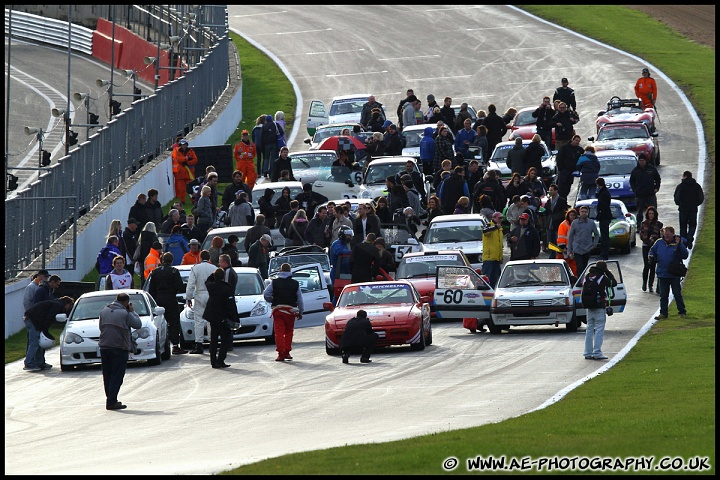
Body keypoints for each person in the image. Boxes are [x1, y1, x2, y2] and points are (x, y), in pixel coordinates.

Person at [98, 292, 141, 409]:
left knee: (107, 374)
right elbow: (138, 324)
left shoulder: (104, 311)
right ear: (126, 302)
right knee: (117, 375)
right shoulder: (125, 313)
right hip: (119, 347)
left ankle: (110, 398)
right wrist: (132, 311)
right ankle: (111, 401)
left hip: (104, 346)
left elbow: (100, 327)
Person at [147, 252, 187, 355]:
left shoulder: (155, 272)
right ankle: (175, 345)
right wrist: (187, 286)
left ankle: (161, 344)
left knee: (160, 322)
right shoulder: (174, 271)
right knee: (174, 322)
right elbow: (179, 287)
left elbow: (151, 289)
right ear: (172, 261)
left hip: (159, 300)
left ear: (161, 260)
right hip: (170, 299)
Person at [263, 263, 304, 362]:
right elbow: (300, 299)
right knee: (289, 332)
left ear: (280, 271)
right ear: (290, 272)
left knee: (279, 332)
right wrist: (300, 312)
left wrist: (272, 300)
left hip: (278, 310)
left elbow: (266, 294)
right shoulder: (295, 283)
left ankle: (280, 353)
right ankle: (287, 352)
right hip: (290, 311)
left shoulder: (274, 282)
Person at [23, 296, 74, 372]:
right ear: (66, 303)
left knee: (38, 342)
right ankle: (29, 363)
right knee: (34, 342)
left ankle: (40, 362)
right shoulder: (57, 306)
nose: (69, 308)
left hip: (33, 318)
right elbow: (49, 318)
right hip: (33, 320)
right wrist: (45, 330)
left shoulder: (55, 303)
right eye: (70, 305)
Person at [649, 226, 688, 320]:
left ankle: (682, 311)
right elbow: (652, 251)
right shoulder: (659, 242)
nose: (666, 236)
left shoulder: (677, 243)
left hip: (674, 273)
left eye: (668, 234)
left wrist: (680, 244)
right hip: (662, 273)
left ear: (673, 234)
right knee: (663, 295)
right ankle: (663, 313)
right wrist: (651, 256)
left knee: (677, 293)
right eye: (665, 234)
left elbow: (685, 255)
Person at [582, 261, 617, 360]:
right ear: (604, 269)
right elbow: (613, 283)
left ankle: (587, 352)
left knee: (589, 329)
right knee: (599, 329)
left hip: (588, 307)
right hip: (599, 306)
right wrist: (607, 272)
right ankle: (597, 352)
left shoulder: (587, 276)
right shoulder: (602, 277)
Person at [203, 268, 238, 368]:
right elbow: (231, 305)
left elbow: (207, 281)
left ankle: (213, 361)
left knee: (213, 340)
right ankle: (220, 360)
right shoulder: (226, 288)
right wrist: (235, 318)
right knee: (225, 340)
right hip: (223, 317)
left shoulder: (211, 286)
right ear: (223, 277)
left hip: (213, 317)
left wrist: (213, 275)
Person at [184, 250, 217, 354]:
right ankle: (213, 342)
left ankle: (199, 344)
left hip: (199, 294)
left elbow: (191, 284)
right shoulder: (214, 268)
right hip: (211, 294)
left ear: (200, 258)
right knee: (211, 320)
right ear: (209, 258)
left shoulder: (195, 268)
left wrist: (188, 298)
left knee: (198, 320)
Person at [673, 170, 704, 250]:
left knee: (683, 226)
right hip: (693, 209)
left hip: (683, 209)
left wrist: (679, 204)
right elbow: (701, 198)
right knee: (692, 225)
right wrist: (696, 204)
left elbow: (677, 197)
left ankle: (684, 241)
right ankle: (690, 237)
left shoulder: (681, 186)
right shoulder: (696, 186)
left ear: (685, 176)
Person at [567, 205, 599, 276]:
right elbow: (571, 236)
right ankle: (579, 281)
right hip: (577, 248)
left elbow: (596, 234)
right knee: (579, 266)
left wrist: (594, 244)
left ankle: (582, 279)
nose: (584, 213)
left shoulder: (591, 223)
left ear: (588, 213)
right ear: (579, 212)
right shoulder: (575, 223)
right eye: (582, 212)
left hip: (587, 248)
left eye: (585, 212)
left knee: (584, 266)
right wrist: (569, 249)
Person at [629, 154, 661, 224]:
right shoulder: (635, 170)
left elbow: (657, 178)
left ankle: (654, 225)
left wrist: (656, 188)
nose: (641, 162)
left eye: (642, 160)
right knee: (639, 212)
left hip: (650, 194)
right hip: (640, 195)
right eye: (640, 161)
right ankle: (639, 226)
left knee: (653, 211)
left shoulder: (651, 169)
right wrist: (635, 190)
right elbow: (632, 181)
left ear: (645, 161)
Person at [639, 206, 663, 293]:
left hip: (654, 246)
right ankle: (644, 283)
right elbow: (641, 234)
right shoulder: (643, 223)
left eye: (652, 213)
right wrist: (646, 240)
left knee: (653, 266)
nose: (651, 215)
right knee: (646, 265)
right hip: (645, 245)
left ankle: (650, 285)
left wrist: (653, 239)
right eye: (649, 213)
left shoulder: (658, 224)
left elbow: (659, 235)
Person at [555, 134, 584, 199]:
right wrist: (561, 169)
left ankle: (564, 200)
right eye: (576, 140)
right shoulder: (564, 148)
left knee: (568, 187)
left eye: (578, 141)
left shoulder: (578, 149)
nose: (577, 142)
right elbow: (559, 158)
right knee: (561, 187)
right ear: (572, 140)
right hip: (564, 171)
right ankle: (561, 201)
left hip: (572, 172)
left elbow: (584, 153)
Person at [543, 184, 568, 258]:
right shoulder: (548, 201)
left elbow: (564, 212)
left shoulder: (562, 201)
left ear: (556, 191)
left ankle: (558, 255)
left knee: (558, 241)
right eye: (549, 190)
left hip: (558, 224)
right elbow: (546, 212)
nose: (550, 192)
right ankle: (552, 254)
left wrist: (555, 217)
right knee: (550, 241)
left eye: (551, 190)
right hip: (549, 224)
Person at [482, 212, 505, 288]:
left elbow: (500, 245)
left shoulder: (500, 229)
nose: (500, 220)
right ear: (494, 218)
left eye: (501, 218)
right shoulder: (489, 225)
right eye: (499, 218)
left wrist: (500, 257)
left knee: (495, 279)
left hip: (496, 258)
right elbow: (485, 231)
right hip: (489, 257)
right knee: (486, 279)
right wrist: (495, 227)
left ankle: (491, 293)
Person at [556, 208, 579, 276]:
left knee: (574, 268)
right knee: (559, 268)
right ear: (568, 216)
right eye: (571, 215)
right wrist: (563, 248)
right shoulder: (564, 225)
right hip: (564, 250)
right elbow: (561, 237)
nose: (572, 217)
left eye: (573, 215)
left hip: (573, 250)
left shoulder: (576, 224)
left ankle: (576, 281)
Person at [595, 177, 612, 260]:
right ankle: (604, 254)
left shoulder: (604, 193)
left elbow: (603, 206)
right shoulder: (604, 192)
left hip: (604, 216)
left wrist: (600, 214)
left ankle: (604, 254)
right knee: (605, 236)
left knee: (604, 237)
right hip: (605, 216)